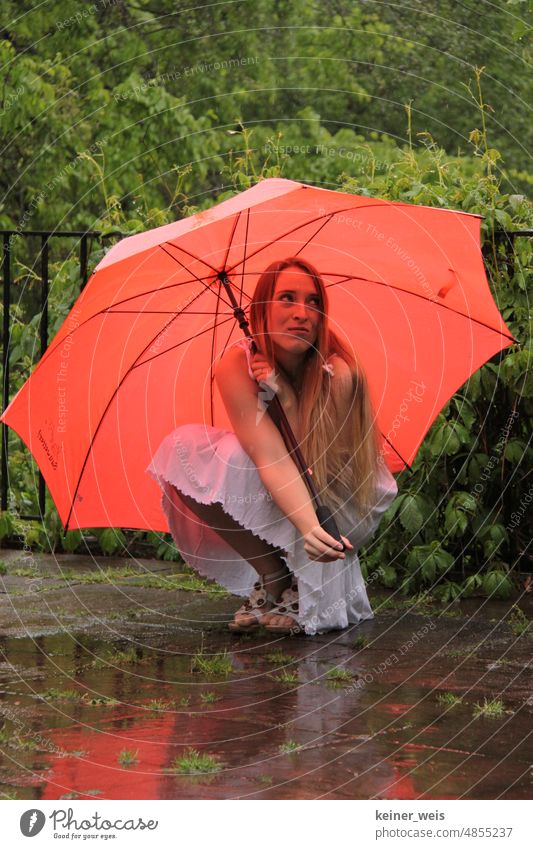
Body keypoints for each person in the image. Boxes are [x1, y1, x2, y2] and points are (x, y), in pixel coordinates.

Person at [146, 257, 398, 636]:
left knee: (283, 469)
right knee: (190, 453)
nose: (302, 313)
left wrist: (290, 401)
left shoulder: (339, 369)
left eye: (314, 302)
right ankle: (275, 575)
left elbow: (316, 463)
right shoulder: (236, 363)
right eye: (287, 298)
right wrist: (305, 526)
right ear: (260, 309)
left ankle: (305, 585)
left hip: (342, 496)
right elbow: (269, 454)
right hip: (287, 479)